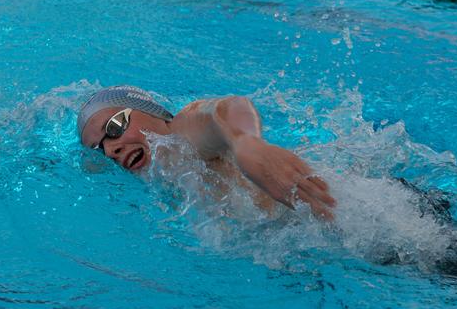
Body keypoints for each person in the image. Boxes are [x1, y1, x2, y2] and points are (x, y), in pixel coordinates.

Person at [77, 85, 337, 219]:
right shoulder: (158, 186)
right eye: (100, 149)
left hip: (337, 217)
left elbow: (224, 110)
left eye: (115, 127)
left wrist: (247, 143)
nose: (111, 149)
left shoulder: (181, 136)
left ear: (150, 110)